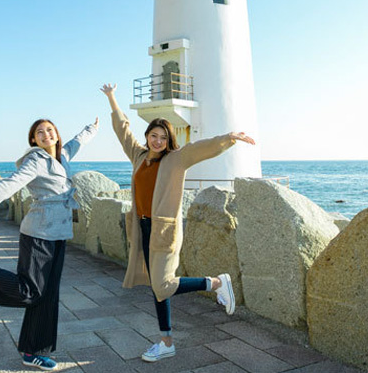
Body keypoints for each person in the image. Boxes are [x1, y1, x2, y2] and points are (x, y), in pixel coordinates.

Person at [100, 83, 256, 362]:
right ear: (147, 136)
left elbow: (200, 149)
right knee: (158, 287)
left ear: (168, 139)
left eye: (162, 137)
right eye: (153, 135)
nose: (157, 141)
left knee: (163, 284)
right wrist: (112, 98)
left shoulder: (176, 159)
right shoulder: (139, 156)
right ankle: (166, 341)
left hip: (165, 231)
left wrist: (228, 138)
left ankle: (217, 283)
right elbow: (123, 130)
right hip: (143, 228)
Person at [0, 117, 99, 371]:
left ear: (57, 135)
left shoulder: (63, 155)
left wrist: (92, 128)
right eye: (40, 132)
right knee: (31, 291)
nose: (46, 134)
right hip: (39, 233)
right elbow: (8, 186)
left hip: (58, 234)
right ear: (34, 140)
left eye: (50, 130)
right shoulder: (36, 161)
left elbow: (77, 142)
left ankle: (33, 351)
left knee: (48, 295)